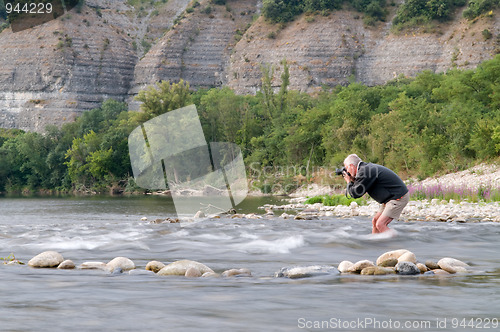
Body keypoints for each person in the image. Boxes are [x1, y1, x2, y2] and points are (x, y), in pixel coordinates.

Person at [342, 154, 409, 234]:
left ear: (352, 166)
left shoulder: (365, 171)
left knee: (381, 224)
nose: (347, 171)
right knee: (375, 221)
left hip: (398, 197)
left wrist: (349, 181)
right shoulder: (365, 169)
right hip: (390, 198)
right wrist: (353, 180)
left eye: (346, 168)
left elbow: (356, 193)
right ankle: (375, 244)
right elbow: (358, 187)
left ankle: (399, 243)